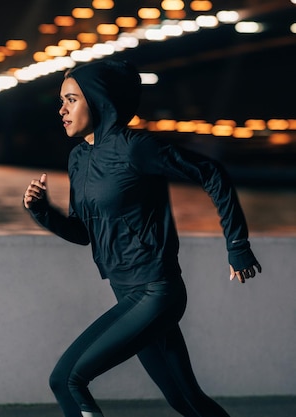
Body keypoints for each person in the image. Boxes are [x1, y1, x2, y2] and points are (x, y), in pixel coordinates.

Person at [23, 59, 262, 417]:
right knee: (187, 400)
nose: (62, 109)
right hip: (126, 292)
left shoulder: (134, 147)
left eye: (71, 99)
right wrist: (43, 211)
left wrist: (237, 247)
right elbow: (83, 234)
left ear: (98, 100)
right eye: (61, 101)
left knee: (67, 381)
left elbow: (211, 173)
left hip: (156, 292)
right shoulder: (78, 159)